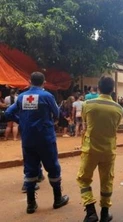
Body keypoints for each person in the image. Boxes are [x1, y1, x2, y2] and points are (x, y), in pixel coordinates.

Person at [5, 72, 69, 214]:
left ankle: (31, 204)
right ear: (44, 82)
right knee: (52, 167)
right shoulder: (47, 96)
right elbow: (57, 114)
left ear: (29, 81)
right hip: (45, 138)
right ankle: (58, 199)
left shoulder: (21, 97)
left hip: (28, 139)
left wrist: (21, 121)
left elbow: (8, 113)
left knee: (30, 169)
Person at [77, 76, 123, 222]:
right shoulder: (119, 108)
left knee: (83, 179)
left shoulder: (87, 104)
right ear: (113, 89)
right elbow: (114, 127)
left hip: (90, 149)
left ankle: (90, 211)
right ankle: (105, 213)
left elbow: (85, 121)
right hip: (109, 150)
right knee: (107, 181)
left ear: (98, 87)